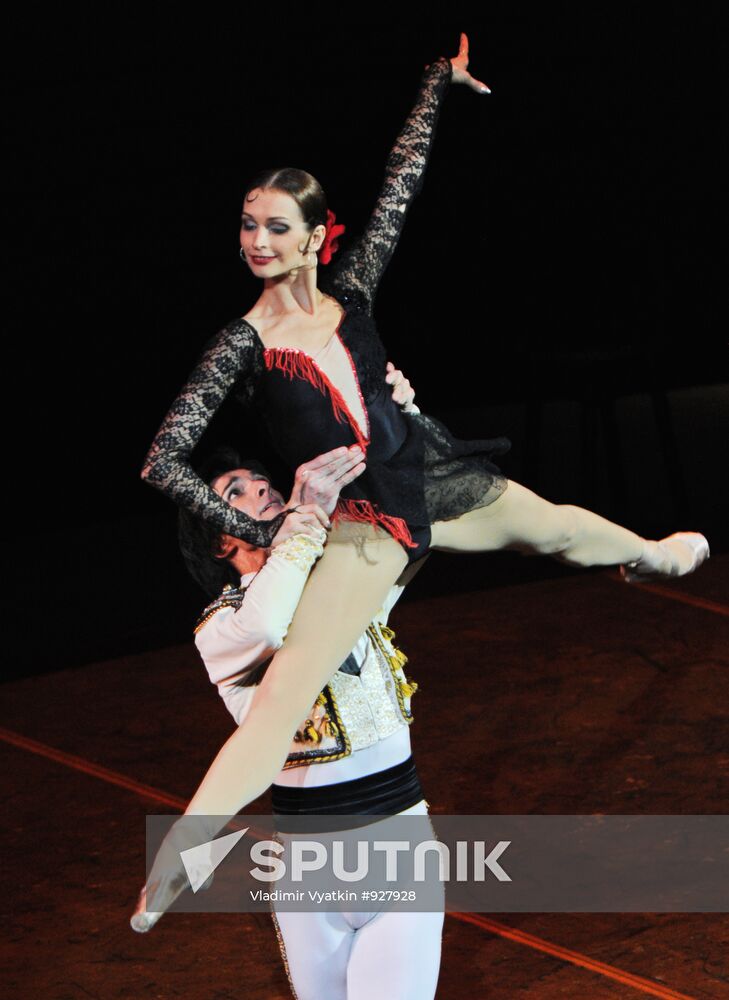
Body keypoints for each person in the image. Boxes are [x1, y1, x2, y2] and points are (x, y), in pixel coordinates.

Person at [139, 34, 709, 850]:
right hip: (366, 521)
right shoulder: (240, 343)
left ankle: (653, 555)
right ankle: (182, 855)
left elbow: (400, 188)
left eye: (274, 226)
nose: (256, 240)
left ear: (312, 237)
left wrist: (434, 88)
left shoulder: (353, 288)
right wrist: (272, 531)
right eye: (246, 225)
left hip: (428, 473)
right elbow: (163, 458)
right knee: (286, 693)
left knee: (563, 529)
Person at [165, 437, 443, 999]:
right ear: (220, 541)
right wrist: (307, 521)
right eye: (235, 492)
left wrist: (403, 422)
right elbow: (270, 624)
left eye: (261, 480)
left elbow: (420, 523)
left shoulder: (342, 587)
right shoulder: (224, 631)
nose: (261, 489)